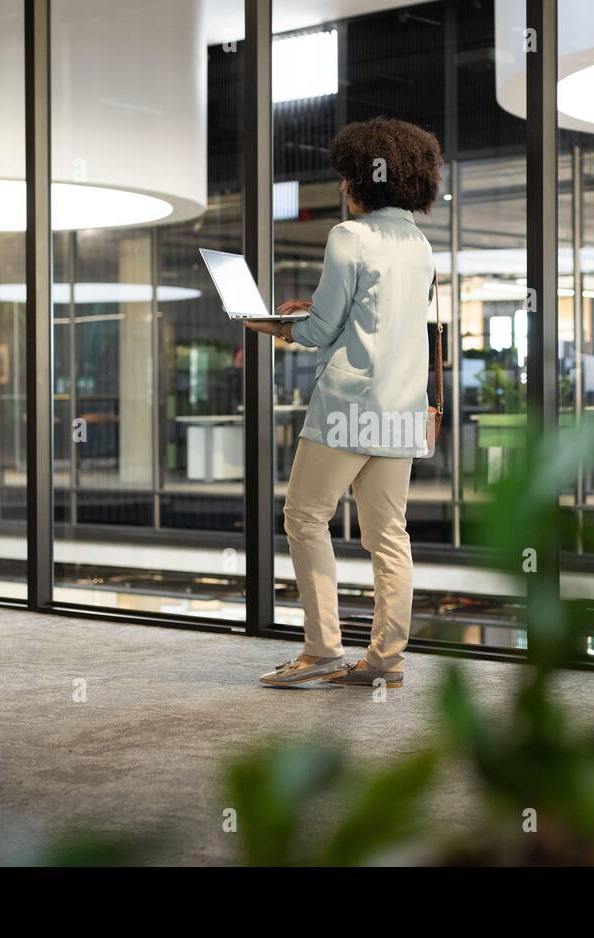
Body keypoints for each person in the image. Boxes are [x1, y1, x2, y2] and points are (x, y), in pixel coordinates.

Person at [244, 117, 442, 690]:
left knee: (304, 517)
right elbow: (373, 318)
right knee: (389, 536)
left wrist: (270, 324)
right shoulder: (418, 244)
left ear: (365, 179)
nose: (342, 186)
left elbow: (321, 330)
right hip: (402, 409)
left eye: (346, 176)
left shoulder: (348, 236)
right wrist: (318, 310)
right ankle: (386, 659)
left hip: (348, 405)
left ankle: (322, 649)